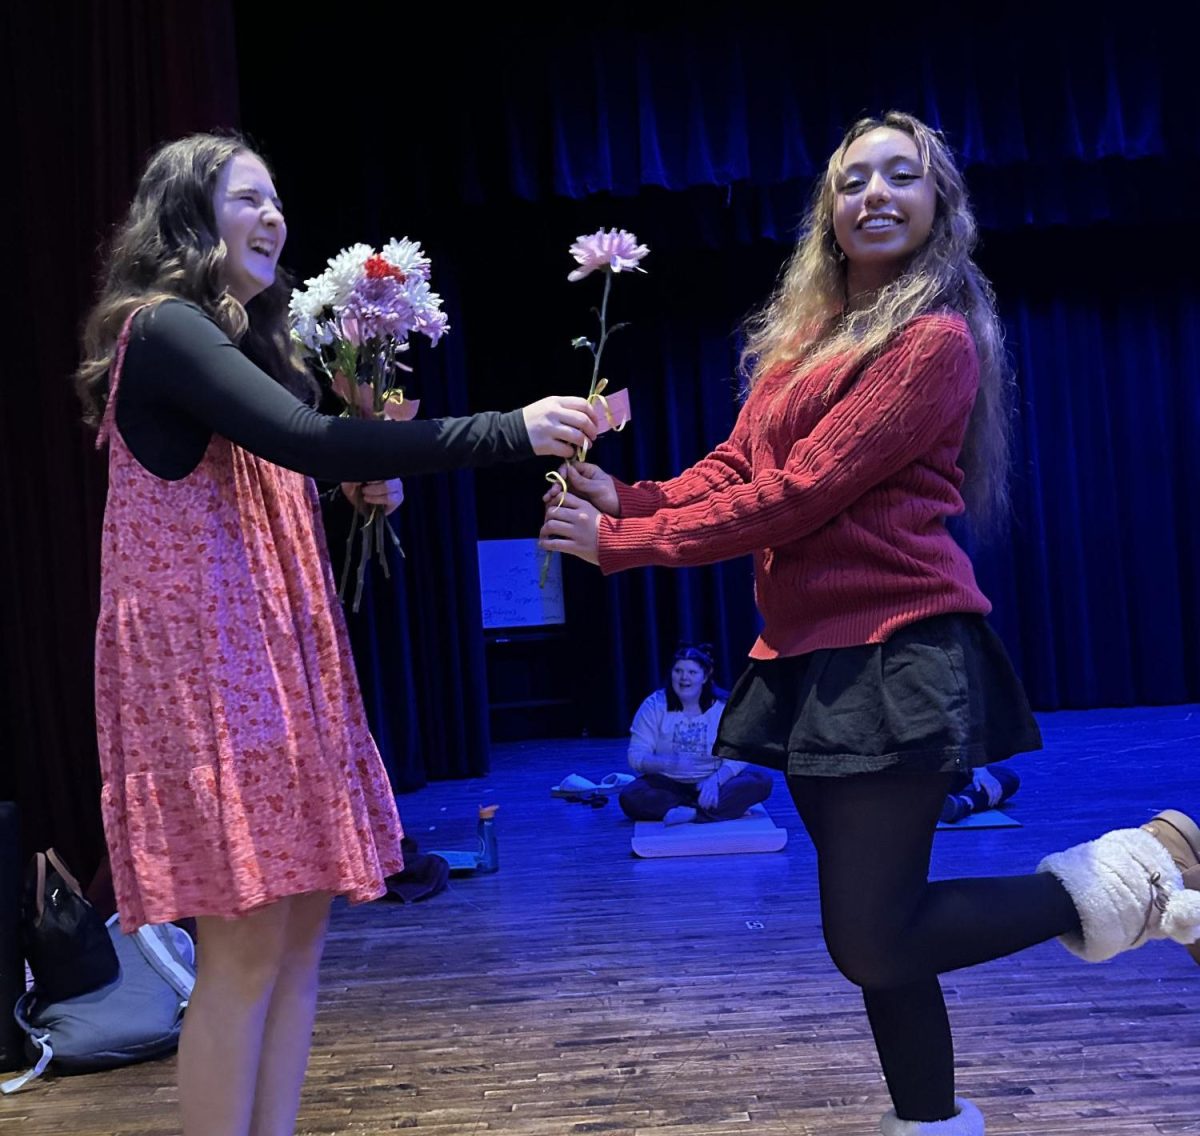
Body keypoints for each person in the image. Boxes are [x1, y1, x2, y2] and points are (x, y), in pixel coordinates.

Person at [540, 111, 1200, 1134]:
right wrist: (628, 497)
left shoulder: (932, 340)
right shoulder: (800, 341)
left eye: (904, 176)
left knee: (873, 938)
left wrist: (627, 545)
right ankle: (931, 1118)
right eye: (855, 180)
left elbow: (803, 490)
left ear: (940, 206)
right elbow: (737, 469)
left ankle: (1138, 872)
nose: (876, 195)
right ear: (829, 212)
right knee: (885, 931)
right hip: (807, 661)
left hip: (898, 651)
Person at [75, 132, 600, 1136]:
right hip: (215, 680)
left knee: (298, 935)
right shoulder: (167, 329)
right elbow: (309, 441)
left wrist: (360, 480)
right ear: (188, 218)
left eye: (277, 199)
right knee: (240, 953)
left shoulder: (235, 345)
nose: (274, 217)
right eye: (247, 199)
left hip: (277, 665)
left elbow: (294, 463)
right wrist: (510, 429)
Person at [619, 643, 772, 824]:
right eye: (678, 671)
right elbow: (636, 755)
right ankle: (718, 808)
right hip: (669, 785)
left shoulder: (723, 706)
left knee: (762, 781)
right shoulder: (654, 705)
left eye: (692, 672)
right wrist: (666, 763)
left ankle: (692, 813)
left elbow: (739, 754)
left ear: (705, 676)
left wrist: (715, 781)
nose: (684, 678)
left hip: (714, 782)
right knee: (630, 797)